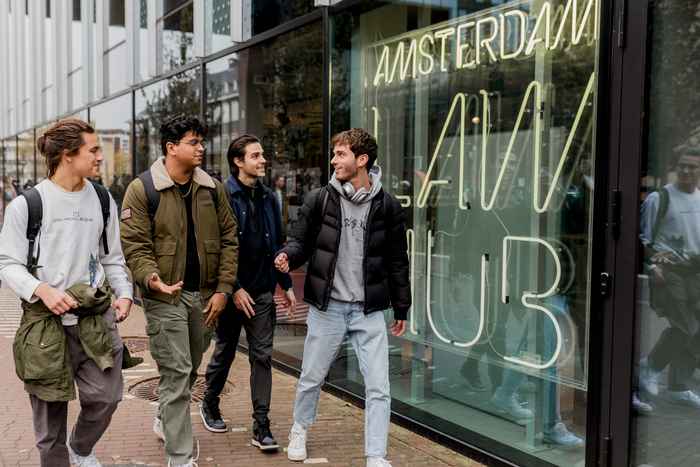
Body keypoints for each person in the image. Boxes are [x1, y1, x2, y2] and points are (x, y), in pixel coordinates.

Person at [0, 118, 133, 467]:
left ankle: (81, 449)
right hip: (44, 326)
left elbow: (113, 257)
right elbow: (7, 263)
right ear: (66, 155)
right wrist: (41, 289)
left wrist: (124, 294)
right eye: (93, 150)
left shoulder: (103, 200)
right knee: (49, 429)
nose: (100, 157)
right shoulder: (27, 205)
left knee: (107, 397)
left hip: (94, 318)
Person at [274, 128, 411, 467]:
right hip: (329, 307)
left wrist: (402, 306)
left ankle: (376, 455)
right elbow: (301, 242)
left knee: (378, 386)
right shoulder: (319, 199)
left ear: (362, 160)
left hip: (368, 310)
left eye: (341, 154)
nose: (334, 160)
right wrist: (288, 257)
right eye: (334, 154)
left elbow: (397, 260)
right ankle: (300, 428)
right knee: (312, 376)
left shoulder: (387, 206)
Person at [120, 115, 238, 466]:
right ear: (171, 148)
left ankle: (164, 418)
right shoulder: (143, 189)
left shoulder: (213, 189)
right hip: (164, 297)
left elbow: (231, 240)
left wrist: (224, 289)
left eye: (202, 141)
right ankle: (181, 457)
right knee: (175, 370)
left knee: (190, 367)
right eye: (193, 142)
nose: (201, 148)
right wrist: (150, 278)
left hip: (205, 297)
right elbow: (135, 246)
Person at [201, 134, 296, 451]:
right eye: (256, 155)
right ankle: (210, 402)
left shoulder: (270, 197)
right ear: (238, 161)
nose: (263, 160)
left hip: (264, 292)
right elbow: (216, 250)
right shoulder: (223, 196)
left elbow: (277, 244)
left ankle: (262, 426)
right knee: (225, 351)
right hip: (231, 294)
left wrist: (285, 285)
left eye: (262, 154)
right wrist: (234, 288)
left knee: (262, 357)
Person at [638, 146, 700, 408]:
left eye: (692, 166)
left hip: (694, 272)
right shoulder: (659, 199)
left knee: (696, 329)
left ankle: (678, 386)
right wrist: (653, 268)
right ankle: (649, 367)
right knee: (684, 325)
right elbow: (642, 238)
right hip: (669, 271)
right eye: (682, 165)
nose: (686, 170)